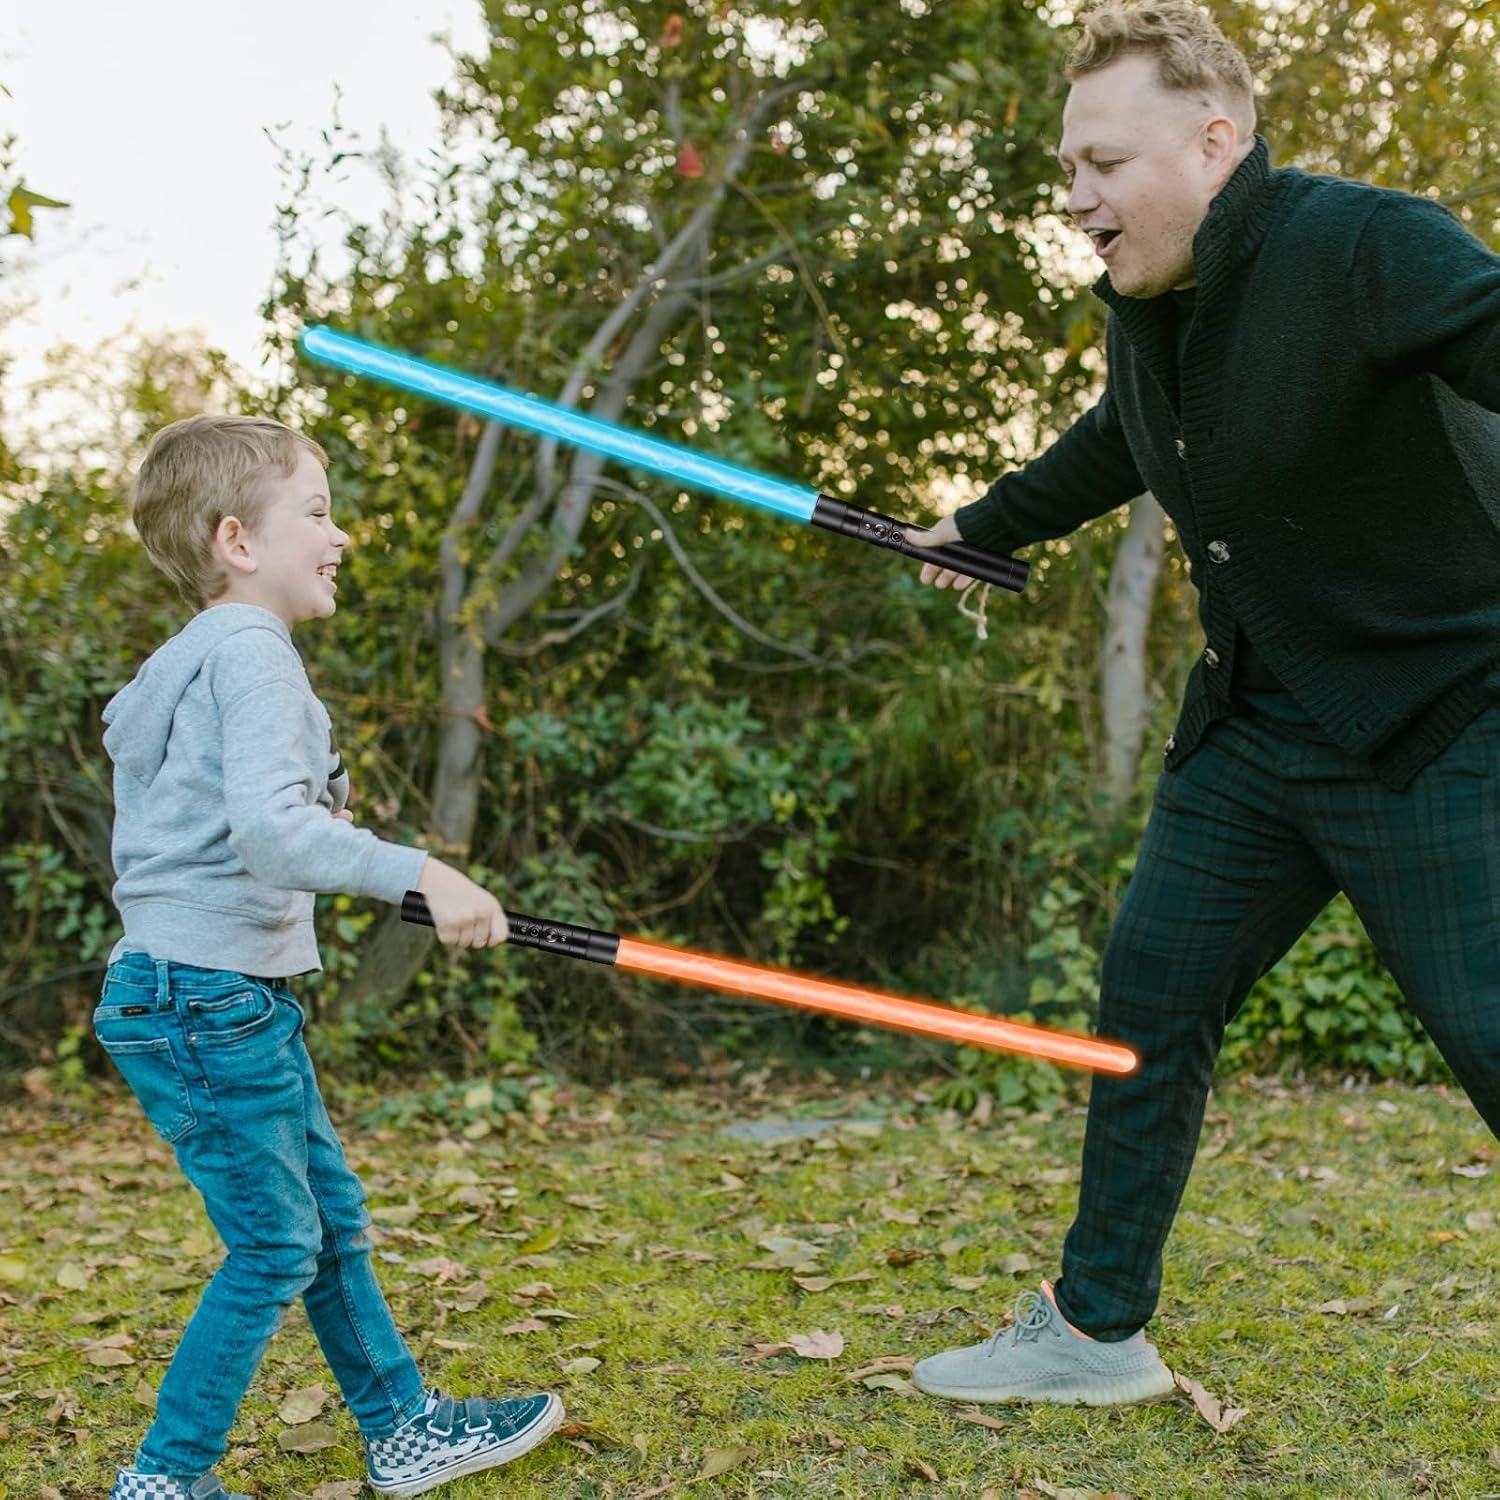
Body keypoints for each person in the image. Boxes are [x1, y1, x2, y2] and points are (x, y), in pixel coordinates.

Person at [904, 0, 1500, 1405]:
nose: (1077, 196)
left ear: (1216, 143)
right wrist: (981, 526)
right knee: (1147, 1004)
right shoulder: (1153, 309)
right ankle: (1096, 1331)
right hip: (1252, 727)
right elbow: (1122, 438)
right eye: (1069, 167)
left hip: (1437, 720)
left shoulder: (1366, 245)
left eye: (1104, 163)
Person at [96, 415, 563, 1497]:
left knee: (328, 1225)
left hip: (205, 992)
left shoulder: (195, 662)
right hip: (204, 994)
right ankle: (165, 1478)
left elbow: (242, 823)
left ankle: (401, 1428)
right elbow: (272, 835)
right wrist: (422, 872)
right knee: (275, 1246)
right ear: (236, 541)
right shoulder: (252, 653)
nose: (340, 533)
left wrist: (332, 805)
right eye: (316, 511)